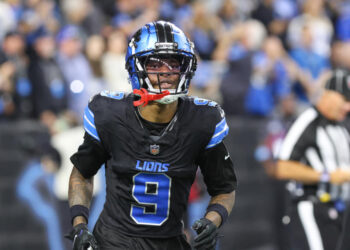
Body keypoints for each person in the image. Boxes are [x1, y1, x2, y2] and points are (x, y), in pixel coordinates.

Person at [66, 21, 237, 250]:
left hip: (170, 242)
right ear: (136, 67)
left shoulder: (202, 121)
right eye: (156, 64)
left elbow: (224, 189)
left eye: (174, 63)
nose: (166, 72)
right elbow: (82, 173)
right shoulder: (110, 115)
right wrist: (79, 224)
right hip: (113, 242)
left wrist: (213, 220)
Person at [276, 68, 350, 250]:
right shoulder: (308, 120)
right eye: (345, 99)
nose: (348, 107)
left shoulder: (342, 126)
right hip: (311, 207)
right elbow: (282, 167)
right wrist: (326, 176)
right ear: (329, 94)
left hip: (338, 210)